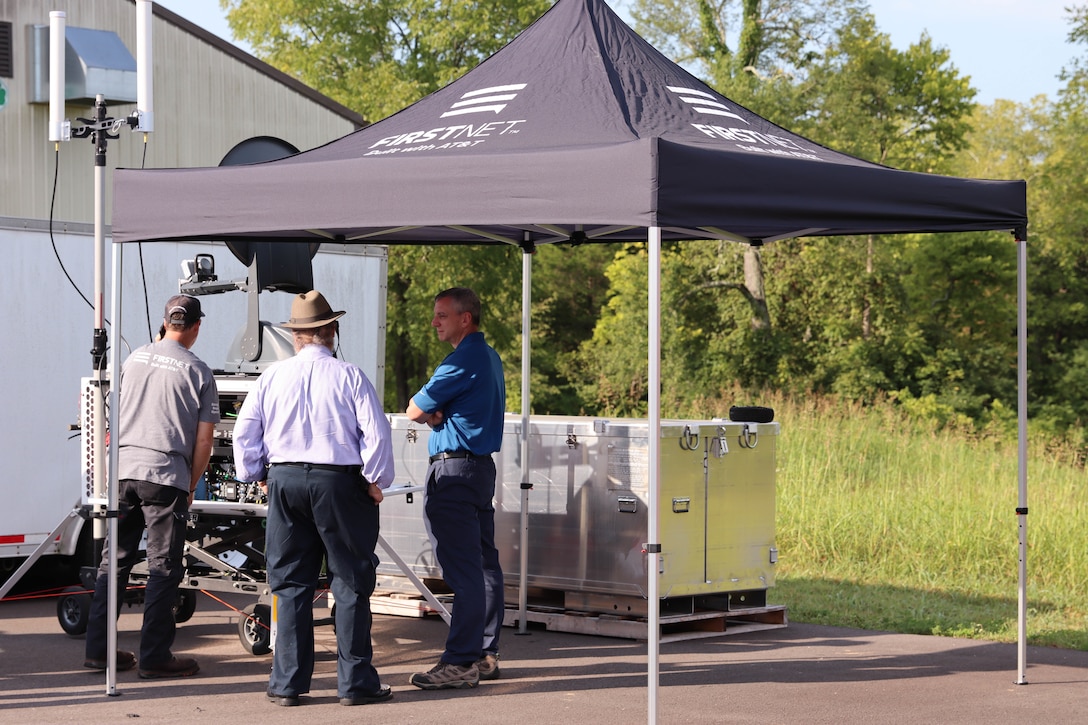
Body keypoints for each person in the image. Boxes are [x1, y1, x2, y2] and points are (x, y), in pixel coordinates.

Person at [232, 290, 395, 707]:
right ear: (331, 331)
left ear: (297, 336)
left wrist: (257, 474)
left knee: (289, 584)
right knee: (351, 583)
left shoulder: (271, 376)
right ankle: (355, 683)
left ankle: (286, 683)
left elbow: (244, 431)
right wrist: (376, 480)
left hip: (285, 479)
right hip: (338, 482)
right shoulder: (350, 375)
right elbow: (376, 433)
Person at [84, 294, 218, 679]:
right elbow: (205, 441)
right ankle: (155, 656)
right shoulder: (199, 371)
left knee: (116, 560)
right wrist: (190, 485)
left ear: (165, 322)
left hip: (124, 470)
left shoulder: (135, 358)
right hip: (165, 474)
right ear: (195, 327)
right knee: (162, 565)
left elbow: (115, 414)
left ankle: (99, 650)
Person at [406, 287, 506, 690]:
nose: (434, 322)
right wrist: (436, 416)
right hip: (479, 470)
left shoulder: (462, 360)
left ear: (466, 318)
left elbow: (413, 409)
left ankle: (461, 661)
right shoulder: (489, 356)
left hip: (455, 472)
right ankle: (484, 652)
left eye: (442, 316)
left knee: (464, 570)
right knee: (483, 565)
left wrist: (431, 418)